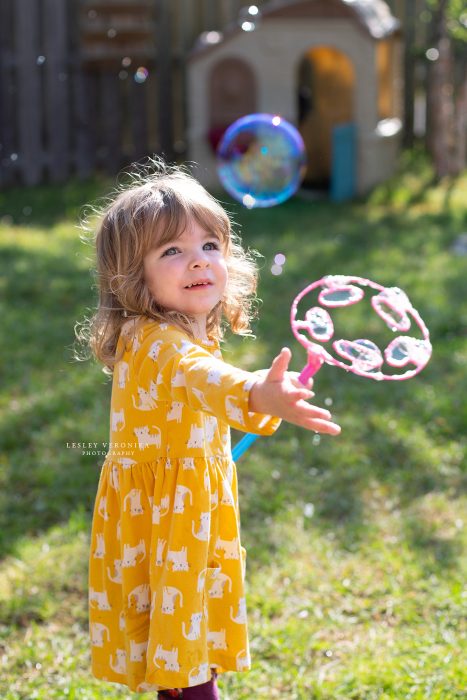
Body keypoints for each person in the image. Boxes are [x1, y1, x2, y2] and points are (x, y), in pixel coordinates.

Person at [78, 158, 340, 698]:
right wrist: (259, 394)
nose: (197, 262)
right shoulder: (156, 342)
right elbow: (203, 378)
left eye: (209, 246)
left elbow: (203, 383)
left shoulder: (178, 331)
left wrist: (259, 400)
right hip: (167, 525)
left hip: (183, 516)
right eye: (171, 251)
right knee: (185, 661)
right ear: (133, 274)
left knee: (187, 650)